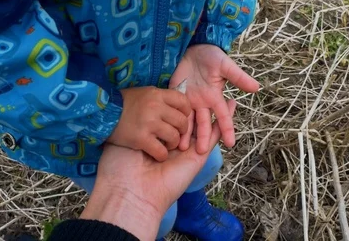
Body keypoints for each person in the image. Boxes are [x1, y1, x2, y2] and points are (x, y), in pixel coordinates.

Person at [0, 0, 260, 239]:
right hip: (84, 119)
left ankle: (191, 209)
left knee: (204, 160)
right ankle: (151, 230)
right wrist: (103, 114)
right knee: (142, 201)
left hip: (179, 69)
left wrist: (209, 31)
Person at [47, 100, 236, 241]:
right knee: (158, 216)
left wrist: (204, 46)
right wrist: (109, 116)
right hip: (87, 139)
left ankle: (192, 212)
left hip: (170, 91)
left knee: (202, 159)